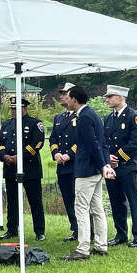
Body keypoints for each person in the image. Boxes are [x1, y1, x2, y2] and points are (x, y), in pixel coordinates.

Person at [61, 85, 115, 261]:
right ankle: (101, 245)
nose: (66, 101)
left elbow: (93, 144)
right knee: (97, 208)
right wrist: (105, 166)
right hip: (96, 170)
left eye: (68, 98)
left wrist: (103, 166)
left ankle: (83, 248)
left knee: (81, 208)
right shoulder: (93, 115)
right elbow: (102, 144)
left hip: (86, 171)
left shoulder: (84, 117)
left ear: (75, 100)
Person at [0, 96, 46, 241]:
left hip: (30, 169)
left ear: (24, 108)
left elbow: (37, 143)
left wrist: (20, 157)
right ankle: (12, 229)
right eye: (12, 109)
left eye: (16, 109)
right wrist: (4, 156)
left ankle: (39, 231)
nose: (13, 112)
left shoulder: (34, 123)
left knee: (35, 201)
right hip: (10, 168)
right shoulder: (6, 125)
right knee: (12, 201)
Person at [103, 84, 137, 247]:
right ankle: (121, 234)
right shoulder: (108, 118)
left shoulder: (134, 117)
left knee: (134, 202)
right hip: (112, 168)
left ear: (121, 97)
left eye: (110, 96)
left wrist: (118, 158)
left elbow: (135, 142)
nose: (107, 99)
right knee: (116, 202)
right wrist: (108, 158)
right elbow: (103, 141)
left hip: (128, 167)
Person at [48, 82, 79, 242]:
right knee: (68, 199)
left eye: (64, 93)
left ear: (73, 96)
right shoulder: (59, 118)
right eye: (60, 93)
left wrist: (69, 155)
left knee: (80, 199)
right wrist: (56, 153)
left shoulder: (80, 115)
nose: (61, 96)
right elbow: (53, 138)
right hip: (62, 166)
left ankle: (88, 230)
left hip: (76, 165)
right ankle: (75, 229)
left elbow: (82, 139)